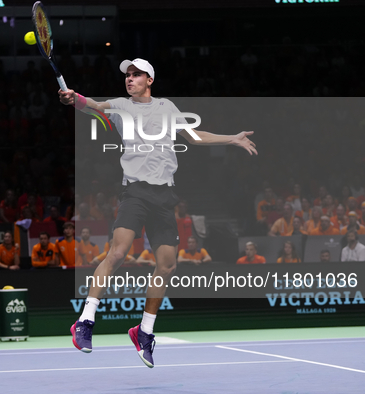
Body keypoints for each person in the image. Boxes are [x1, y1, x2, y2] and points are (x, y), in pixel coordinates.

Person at [60, 57, 257, 367]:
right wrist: (75, 99)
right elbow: (94, 107)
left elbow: (193, 135)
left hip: (164, 195)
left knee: (167, 265)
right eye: (128, 74)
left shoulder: (167, 108)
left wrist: (231, 138)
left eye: (137, 74)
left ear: (149, 80)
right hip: (136, 192)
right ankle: (85, 321)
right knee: (118, 253)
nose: (130, 78)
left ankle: (144, 332)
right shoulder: (121, 106)